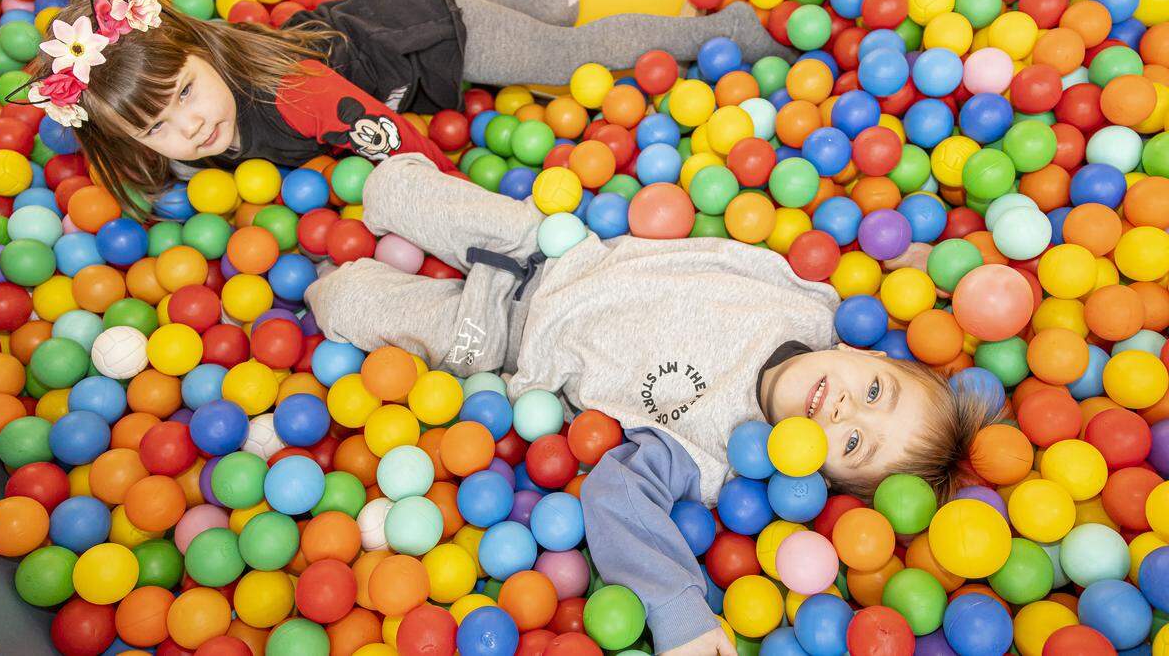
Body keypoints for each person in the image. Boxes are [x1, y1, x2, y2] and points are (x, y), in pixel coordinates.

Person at [303, 152, 998, 655]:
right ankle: (367, 154)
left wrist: (678, 609)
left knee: (345, 300)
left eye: (854, 444)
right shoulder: (811, 303)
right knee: (399, 184)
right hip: (557, 247)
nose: (846, 409)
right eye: (877, 390)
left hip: (507, 338)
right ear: (870, 353)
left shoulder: (718, 450)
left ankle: (325, 285)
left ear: (818, 476)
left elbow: (618, 494)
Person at [22, 0, 789, 213]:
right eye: (158, 126)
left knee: (564, 56)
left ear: (197, 48)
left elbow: (392, 139)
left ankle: (726, 26)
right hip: (372, 31)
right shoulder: (189, 126)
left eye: (187, 92)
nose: (190, 125)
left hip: (423, 30)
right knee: (538, 27)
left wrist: (458, 208)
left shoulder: (295, 93)